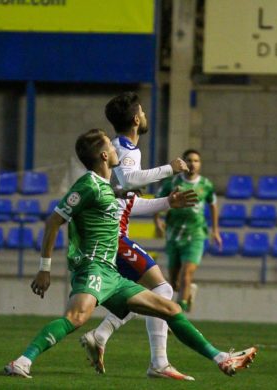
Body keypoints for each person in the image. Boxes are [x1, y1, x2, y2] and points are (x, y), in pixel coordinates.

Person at [4, 128, 257, 379]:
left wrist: (156, 200)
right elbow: (53, 222)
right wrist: (44, 269)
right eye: (111, 147)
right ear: (104, 156)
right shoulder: (87, 184)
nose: (115, 149)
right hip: (93, 267)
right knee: (76, 317)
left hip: (112, 275)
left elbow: (109, 197)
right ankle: (23, 361)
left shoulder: (104, 187)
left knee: (170, 309)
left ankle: (222, 358)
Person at [81, 92, 193, 380]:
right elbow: (130, 180)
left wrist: (167, 202)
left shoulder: (122, 150)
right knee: (162, 291)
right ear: (135, 119)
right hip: (112, 237)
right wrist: (170, 169)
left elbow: (127, 202)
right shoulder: (127, 151)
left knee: (143, 295)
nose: (144, 115)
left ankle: (102, 334)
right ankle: (158, 363)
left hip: (112, 235)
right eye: (142, 111)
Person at [154, 149, 222, 313]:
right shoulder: (172, 183)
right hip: (174, 234)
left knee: (186, 275)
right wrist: (157, 221)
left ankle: (180, 313)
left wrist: (215, 230)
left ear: (200, 164)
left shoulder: (206, 185)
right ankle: (188, 292)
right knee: (174, 281)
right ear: (184, 163)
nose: (193, 163)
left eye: (196, 160)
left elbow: (213, 205)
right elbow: (157, 201)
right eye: (189, 160)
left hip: (196, 235)